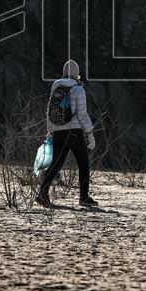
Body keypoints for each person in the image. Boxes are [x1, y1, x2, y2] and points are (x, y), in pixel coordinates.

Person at [36, 59, 98, 208]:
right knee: (83, 164)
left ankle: (43, 193)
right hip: (74, 133)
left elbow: (49, 112)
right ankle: (83, 197)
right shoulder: (78, 89)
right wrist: (90, 134)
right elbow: (82, 114)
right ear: (77, 74)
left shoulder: (56, 88)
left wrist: (50, 131)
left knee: (56, 164)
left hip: (58, 132)